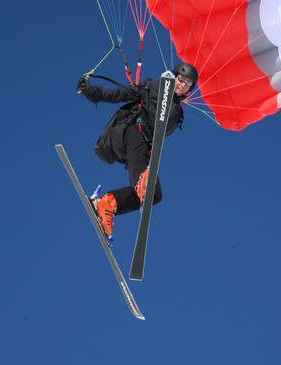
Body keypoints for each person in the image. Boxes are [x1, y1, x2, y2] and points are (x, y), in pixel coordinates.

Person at [76, 62, 199, 244]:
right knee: (141, 157)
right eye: (180, 79)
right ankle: (138, 184)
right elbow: (119, 94)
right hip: (129, 133)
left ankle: (107, 203)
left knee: (154, 195)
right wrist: (90, 91)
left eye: (188, 84)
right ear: (173, 77)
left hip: (140, 149)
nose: (182, 85)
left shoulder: (178, 114)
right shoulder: (151, 87)